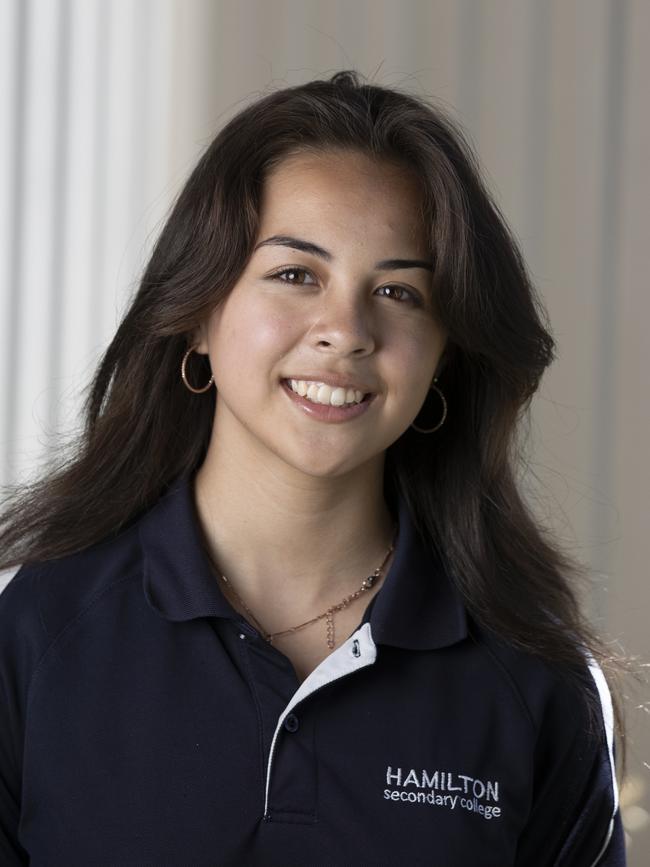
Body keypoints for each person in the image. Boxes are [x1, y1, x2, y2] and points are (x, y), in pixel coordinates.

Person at [0, 70, 628, 866]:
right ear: (197, 313)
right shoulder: (44, 631)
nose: (346, 330)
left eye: (399, 291)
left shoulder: (534, 679)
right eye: (297, 275)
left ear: (441, 357)